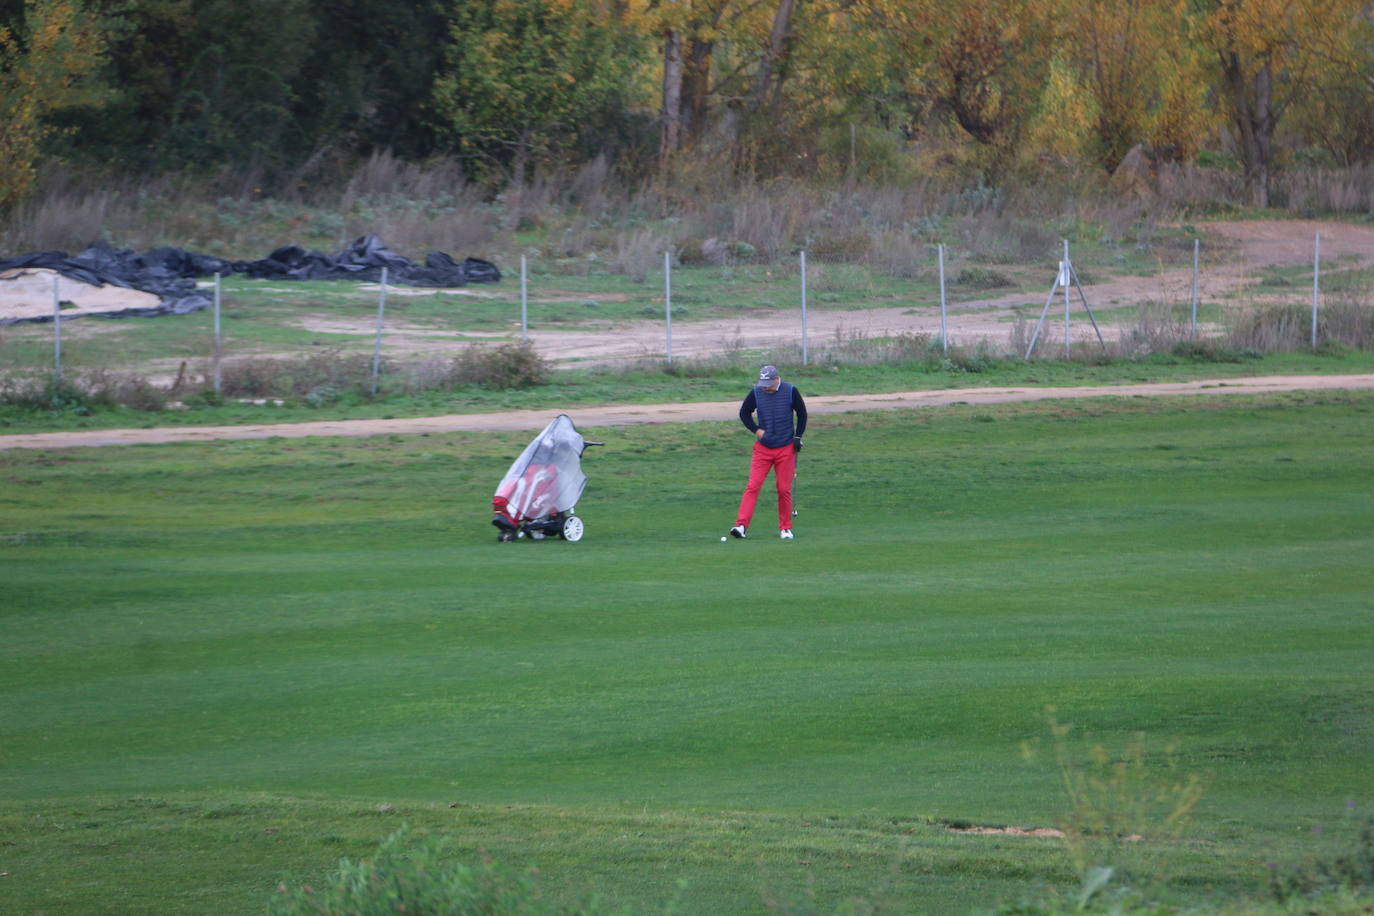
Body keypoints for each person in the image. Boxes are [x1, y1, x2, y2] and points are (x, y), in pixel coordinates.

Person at [729, 364, 807, 540]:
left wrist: (798, 436)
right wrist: (757, 430)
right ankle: (741, 526)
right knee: (753, 486)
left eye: (768, 383)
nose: (765, 386)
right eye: (763, 382)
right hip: (763, 449)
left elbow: (802, 414)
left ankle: (785, 528)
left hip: (785, 448)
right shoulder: (756, 392)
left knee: (783, 489)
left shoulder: (790, 391)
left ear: (777, 379)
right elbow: (744, 413)